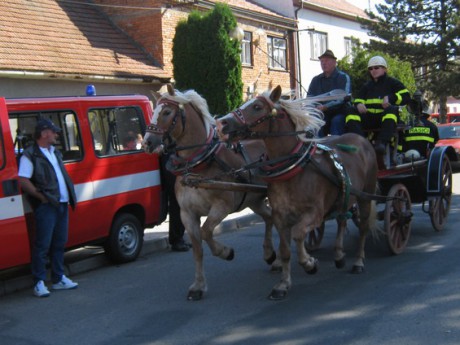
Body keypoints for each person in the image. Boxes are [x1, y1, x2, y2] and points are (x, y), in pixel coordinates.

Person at [18, 119, 78, 297]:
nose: (56, 134)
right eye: (54, 132)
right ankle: (39, 282)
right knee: (42, 245)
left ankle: (58, 278)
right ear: (44, 133)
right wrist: (40, 196)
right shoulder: (30, 155)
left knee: (59, 243)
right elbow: (23, 179)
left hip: (61, 203)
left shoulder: (55, 152)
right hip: (47, 205)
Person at [345, 55, 411, 154]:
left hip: (385, 118)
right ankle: (360, 143)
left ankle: (382, 143)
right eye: (371, 69)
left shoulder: (392, 83)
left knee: (391, 110)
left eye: (376, 68)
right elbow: (358, 99)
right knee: (350, 111)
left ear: (384, 69)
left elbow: (406, 96)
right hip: (369, 117)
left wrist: (391, 98)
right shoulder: (366, 86)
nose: (373, 70)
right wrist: (358, 104)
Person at [307, 49, 351, 136]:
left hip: (340, 112)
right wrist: (314, 108)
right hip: (322, 114)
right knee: (315, 121)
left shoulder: (343, 77)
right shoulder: (316, 80)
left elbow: (343, 97)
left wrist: (326, 106)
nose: (324, 63)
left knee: (336, 121)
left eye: (326, 60)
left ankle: (335, 148)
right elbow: (310, 98)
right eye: (322, 61)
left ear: (334, 62)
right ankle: (317, 147)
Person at [160, 152, 191, 252]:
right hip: (169, 162)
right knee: (176, 203)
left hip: (175, 161)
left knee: (180, 204)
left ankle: (179, 238)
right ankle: (176, 240)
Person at [402, 91, 439, 158]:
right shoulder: (432, 126)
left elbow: (402, 143)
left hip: (409, 157)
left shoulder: (406, 126)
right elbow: (436, 140)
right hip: (427, 157)